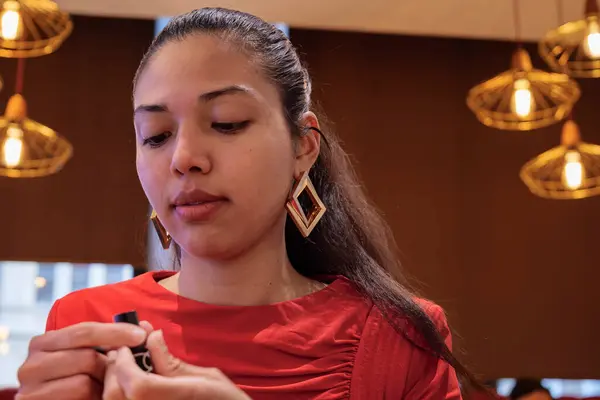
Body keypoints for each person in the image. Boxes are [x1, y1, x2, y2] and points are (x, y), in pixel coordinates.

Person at [15, 8, 478, 400]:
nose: (183, 159)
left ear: (303, 147)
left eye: (227, 123)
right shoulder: (87, 325)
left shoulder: (397, 338)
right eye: (156, 136)